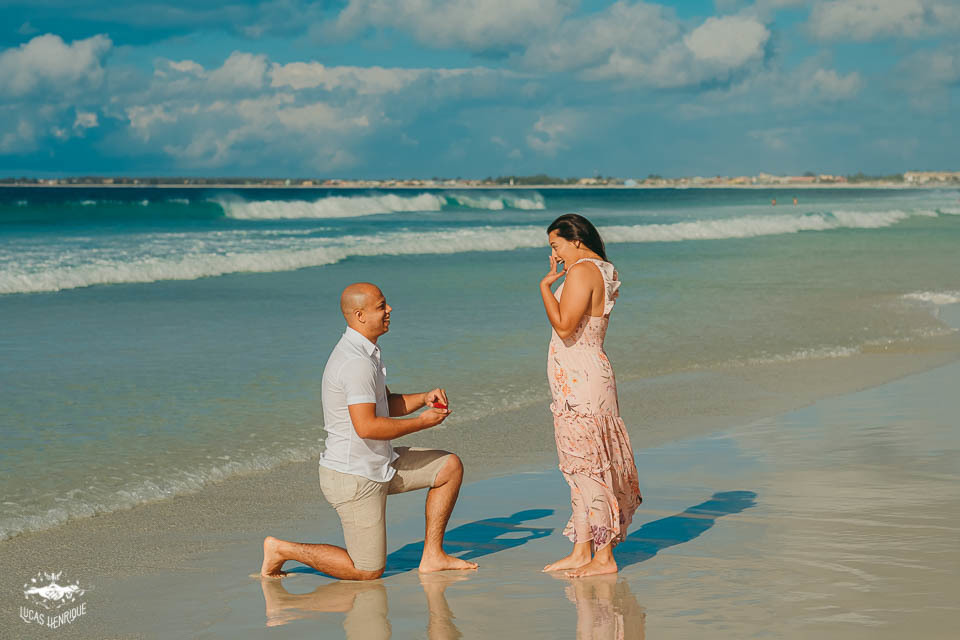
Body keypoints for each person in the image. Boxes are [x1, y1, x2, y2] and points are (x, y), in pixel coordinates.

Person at [260, 282, 478, 580]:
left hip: (380, 463)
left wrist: (423, 398)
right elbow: (367, 427)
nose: (389, 310)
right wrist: (422, 422)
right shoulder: (356, 362)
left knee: (448, 467)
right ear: (360, 315)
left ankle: (433, 556)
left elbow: (384, 404)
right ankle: (281, 549)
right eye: (381, 306)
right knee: (367, 571)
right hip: (353, 476)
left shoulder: (366, 351)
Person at [539, 214, 642, 578]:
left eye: (556, 246)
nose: (555, 254)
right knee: (580, 467)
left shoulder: (583, 270)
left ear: (575, 240)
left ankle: (603, 556)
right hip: (583, 378)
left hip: (581, 382)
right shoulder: (599, 270)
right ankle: (582, 549)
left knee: (587, 469)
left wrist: (544, 289)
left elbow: (565, 327)